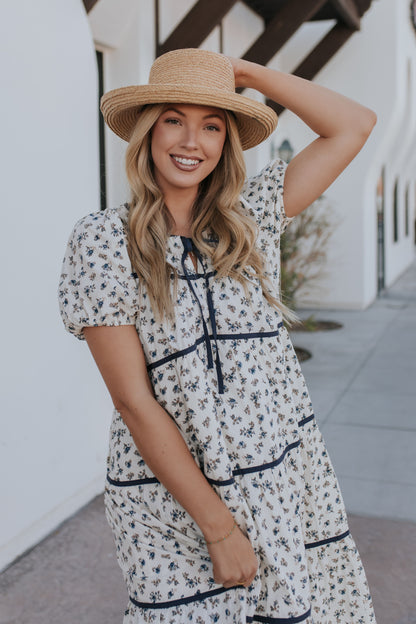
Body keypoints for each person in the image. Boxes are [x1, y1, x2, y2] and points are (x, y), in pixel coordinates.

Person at [58, 48, 377, 623]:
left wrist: (247, 74)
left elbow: (354, 124)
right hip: (169, 498)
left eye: (212, 125)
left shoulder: (248, 222)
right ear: (149, 132)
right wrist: (219, 526)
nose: (191, 141)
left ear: (227, 143)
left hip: (277, 473)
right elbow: (134, 402)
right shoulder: (105, 241)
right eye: (174, 119)